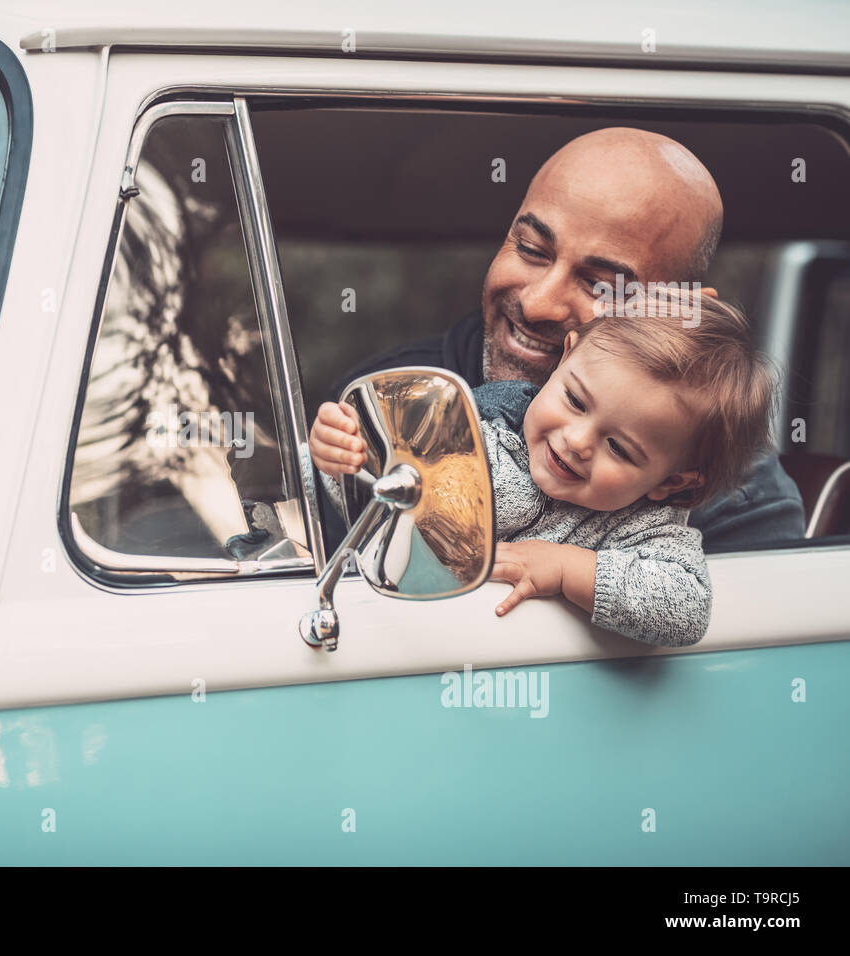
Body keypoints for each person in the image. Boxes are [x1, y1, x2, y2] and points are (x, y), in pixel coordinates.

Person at [309, 127, 806, 554]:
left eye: (601, 284)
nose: (538, 304)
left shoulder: (741, 503)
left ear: (679, 312)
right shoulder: (392, 397)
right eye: (530, 249)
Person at [320, 292, 775, 646]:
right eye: (575, 401)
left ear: (672, 481)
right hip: (400, 639)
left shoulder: (644, 529)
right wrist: (341, 458)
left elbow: (685, 609)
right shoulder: (474, 438)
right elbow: (384, 506)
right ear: (565, 357)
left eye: (619, 447)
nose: (576, 442)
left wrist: (564, 568)